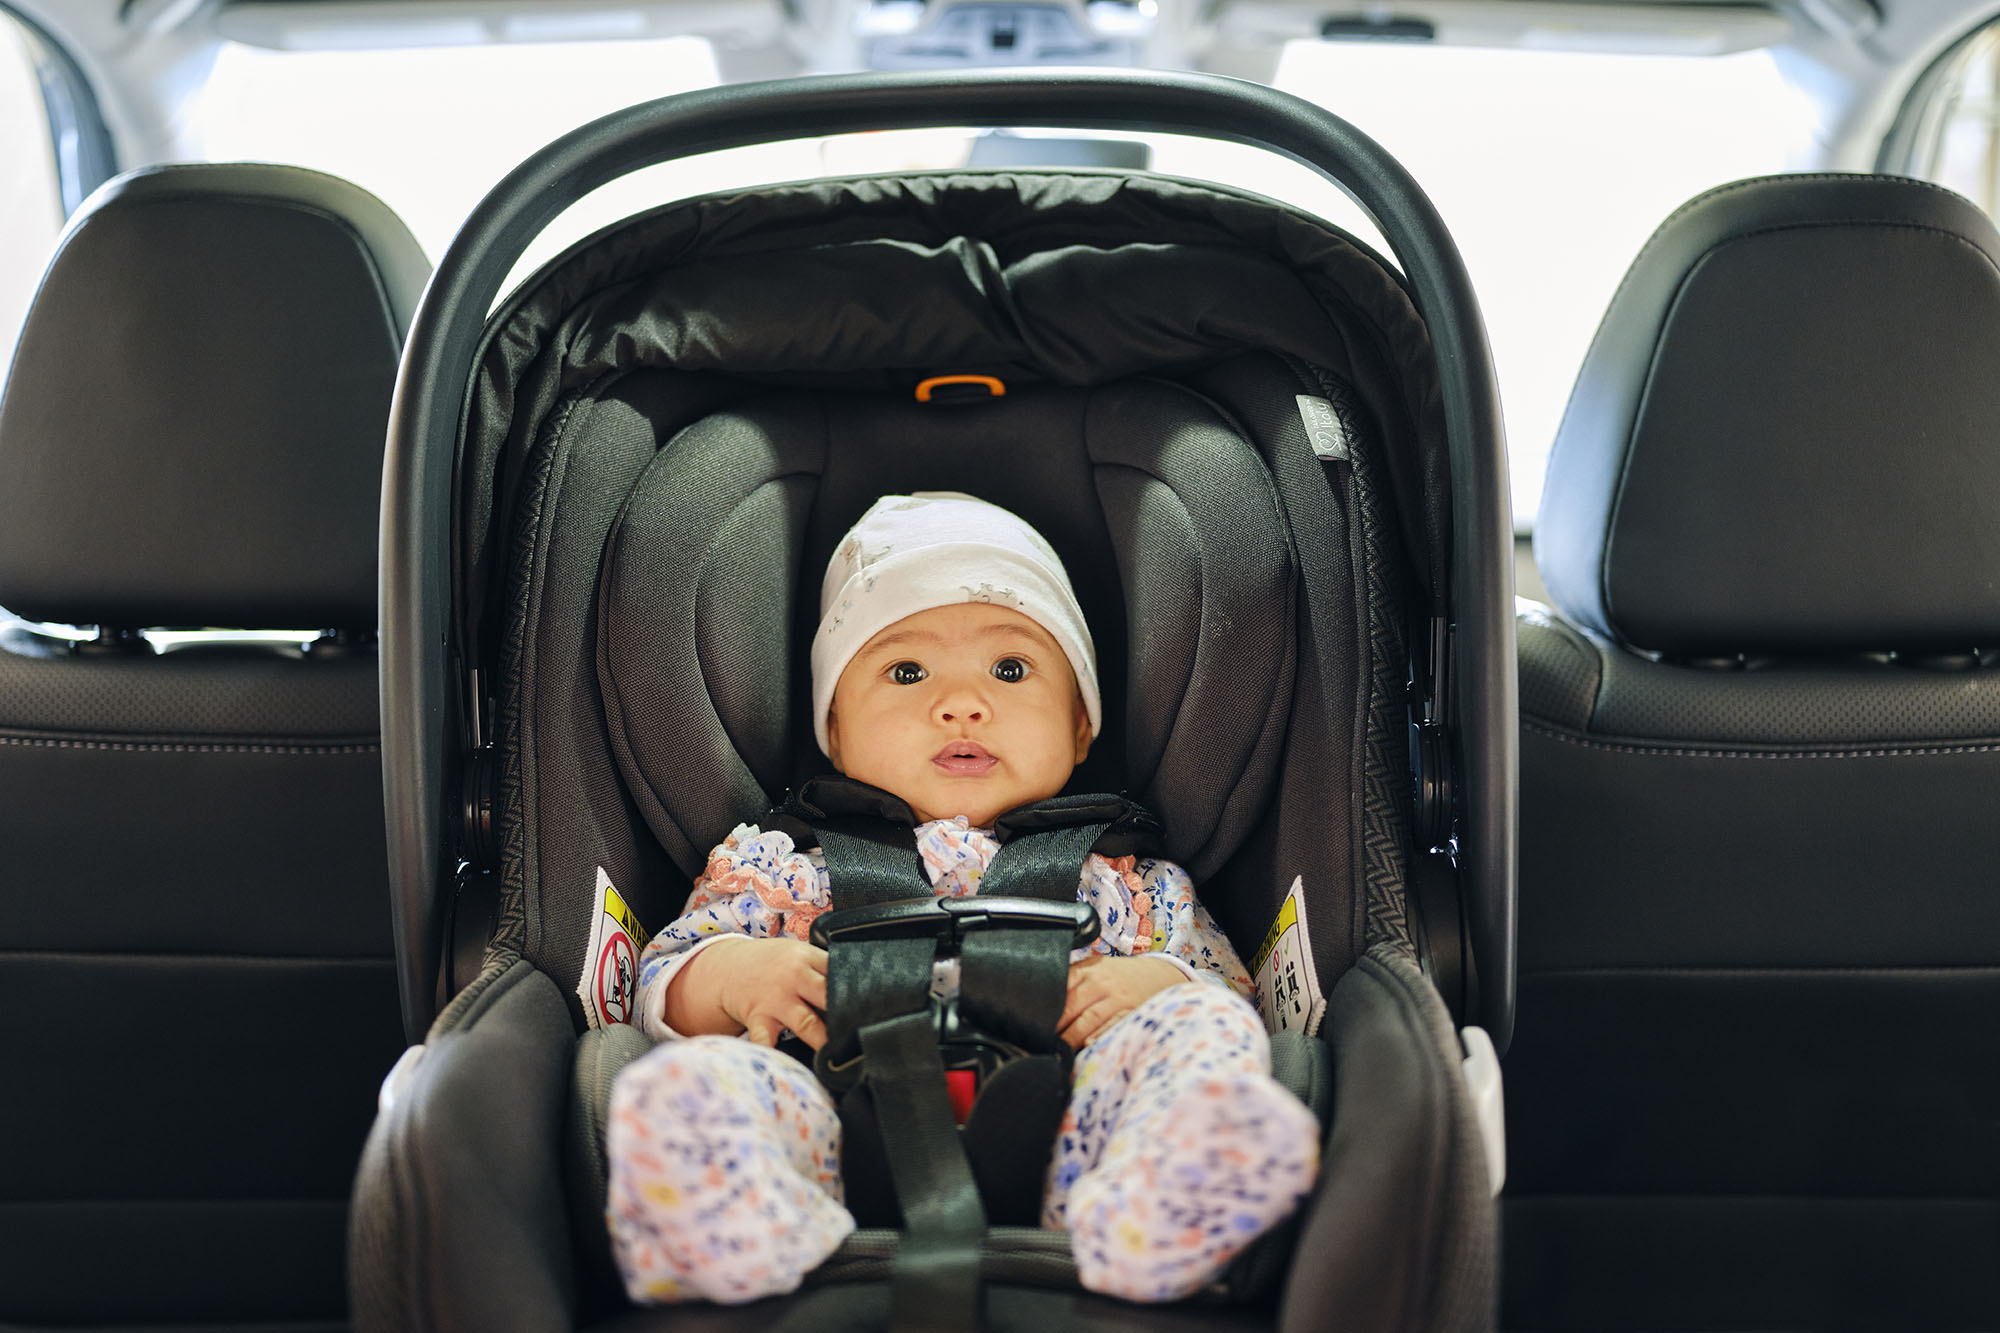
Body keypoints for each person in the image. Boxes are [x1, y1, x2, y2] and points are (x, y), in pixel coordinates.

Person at [605, 492, 1318, 1306]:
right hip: (825, 1121)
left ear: (1081, 726)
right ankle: (734, 1235)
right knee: (690, 1083)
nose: (961, 702)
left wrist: (1159, 985)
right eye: (906, 671)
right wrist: (733, 974)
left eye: (1010, 669)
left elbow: (1230, 992)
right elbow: (657, 982)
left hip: (1079, 1133)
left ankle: (1158, 1214)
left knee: (1205, 1030)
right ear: (834, 730)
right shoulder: (778, 867)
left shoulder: (1130, 881)